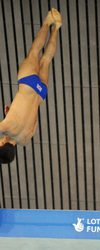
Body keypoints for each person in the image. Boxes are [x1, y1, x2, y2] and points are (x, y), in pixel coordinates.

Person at [0, 8, 62, 164]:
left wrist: (11, 113)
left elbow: (32, 118)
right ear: (2, 144)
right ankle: (48, 21)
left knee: (46, 60)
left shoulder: (26, 139)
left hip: (40, 93)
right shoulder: (5, 127)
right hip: (28, 85)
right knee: (34, 51)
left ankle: (56, 28)